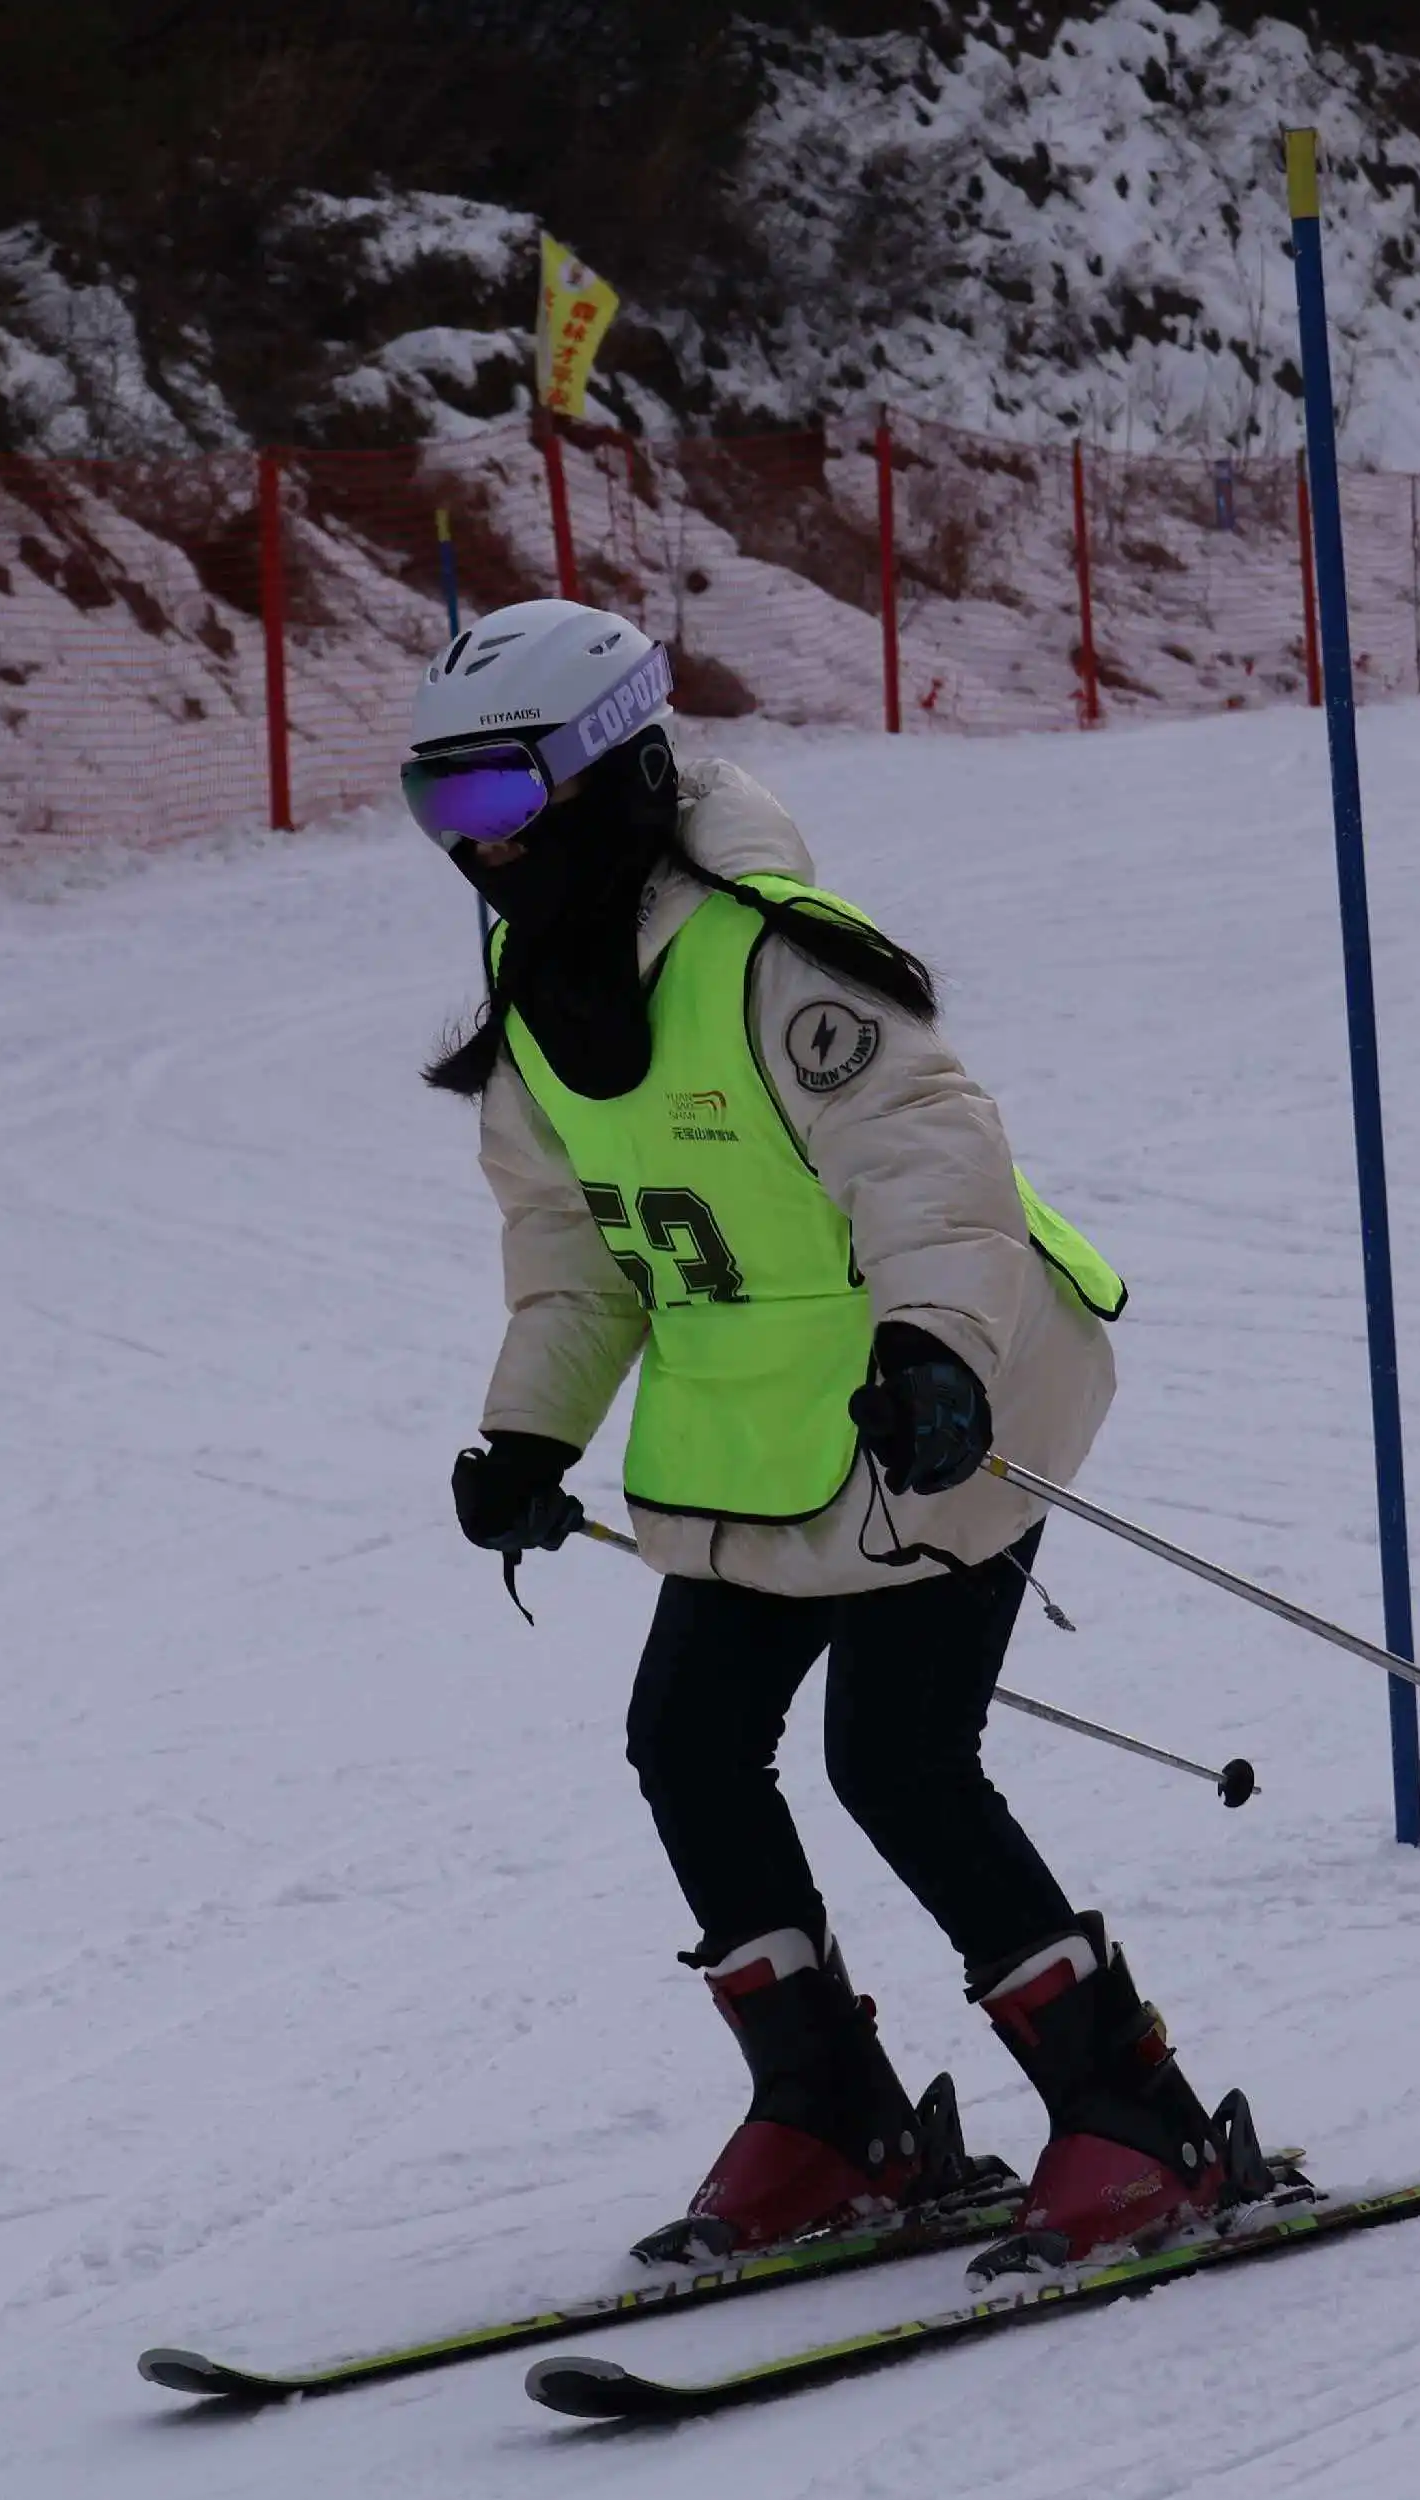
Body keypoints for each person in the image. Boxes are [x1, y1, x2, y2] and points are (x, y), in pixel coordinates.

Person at [407, 598, 1273, 2270]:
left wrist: (937, 1353)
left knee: (895, 1759)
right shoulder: (537, 983)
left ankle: (1136, 2119)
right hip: (757, 1430)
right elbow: (575, 1247)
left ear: (609, 776)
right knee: (686, 1743)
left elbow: (932, 1170)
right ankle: (831, 2116)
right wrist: (529, 1432)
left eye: (498, 804)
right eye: (437, 812)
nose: (474, 851)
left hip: (955, 1387)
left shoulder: (774, 954)